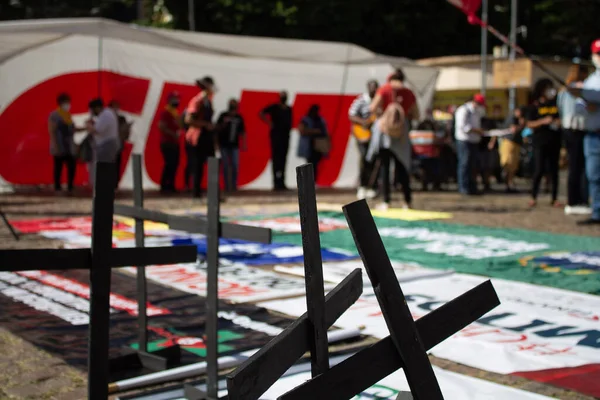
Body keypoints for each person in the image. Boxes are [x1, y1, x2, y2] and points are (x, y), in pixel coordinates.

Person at [367, 69, 418, 210]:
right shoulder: (408, 92)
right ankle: (407, 201)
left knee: (385, 166)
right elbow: (417, 114)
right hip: (402, 133)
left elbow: (372, 108)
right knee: (402, 166)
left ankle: (386, 201)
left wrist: (382, 116)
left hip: (384, 132)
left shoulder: (384, 89)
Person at [572, 39, 600, 225]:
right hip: (592, 135)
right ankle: (597, 212)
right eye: (598, 54)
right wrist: (585, 105)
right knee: (593, 175)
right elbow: (578, 106)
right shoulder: (591, 80)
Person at [558, 64, 591, 215]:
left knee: (575, 167)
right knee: (578, 167)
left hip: (568, 129)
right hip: (576, 129)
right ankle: (575, 200)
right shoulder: (577, 89)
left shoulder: (564, 91)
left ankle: (576, 199)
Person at [526, 78, 562, 208]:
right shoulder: (534, 106)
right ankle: (533, 196)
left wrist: (558, 122)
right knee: (539, 169)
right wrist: (542, 122)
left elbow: (561, 119)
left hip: (555, 141)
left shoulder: (555, 104)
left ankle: (554, 198)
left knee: (554, 171)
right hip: (540, 142)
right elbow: (529, 124)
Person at [185, 77, 216, 199]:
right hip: (197, 137)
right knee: (198, 165)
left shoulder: (208, 100)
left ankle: (213, 193)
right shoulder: (198, 100)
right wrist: (205, 125)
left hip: (207, 136)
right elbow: (189, 120)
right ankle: (195, 192)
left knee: (213, 164)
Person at [348, 79, 379, 199]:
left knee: (374, 161)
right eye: (372, 87)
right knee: (364, 159)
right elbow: (351, 115)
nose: (374, 90)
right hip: (362, 135)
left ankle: (372, 187)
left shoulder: (379, 101)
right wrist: (364, 122)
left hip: (375, 136)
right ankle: (362, 186)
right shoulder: (361, 100)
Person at [48, 93, 83, 193]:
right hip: (59, 145)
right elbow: (52, 130)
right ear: (60, 103)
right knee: (58, 167)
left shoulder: (68, 115)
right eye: (66, 102)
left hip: (69, 147)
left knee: (72, 166)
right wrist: (55, 145)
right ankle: (57, 187)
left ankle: (70, 186)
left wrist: (86, 129)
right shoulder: (55, 114)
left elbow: (72, 129)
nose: (68, 104)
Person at [454, 94, 487, 195]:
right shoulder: (463, 110)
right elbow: (463, 127)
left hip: (474, 141)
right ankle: (463, 187)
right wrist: (477, 131)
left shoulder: (476, 112)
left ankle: (472, 187)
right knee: (464, 163)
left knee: (473, 165)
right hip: (464, 141)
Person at [260, 91, 292, 191]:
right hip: (276, 136)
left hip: (285, 137)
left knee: (283, 159)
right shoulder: (274, 107)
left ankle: (282, 182)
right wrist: (269, 122)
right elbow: (261, 113)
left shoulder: (289, 109)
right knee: (276, 159)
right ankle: (276, 182)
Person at [86, 98, 119, 185]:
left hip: (106, 145)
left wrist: (88, 125)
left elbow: (97, 130)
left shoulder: (106, 115)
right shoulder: (107, 114)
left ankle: (104, 186)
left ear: (97, 108)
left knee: (104, 166)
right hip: (106, 144)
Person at [216, 98, 247, 192]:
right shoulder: (223, 115)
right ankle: (226, 185)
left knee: (234, 165)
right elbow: (217, 128)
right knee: (225, 166)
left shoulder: (239, 117)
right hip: (224, 144)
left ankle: (234, 185)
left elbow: (243, 132)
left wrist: (244, 144)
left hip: (235, 145)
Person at [297, 104, 329, 180]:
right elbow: (301, 130)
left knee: (316, 163)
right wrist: (313, 131)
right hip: (309, 145)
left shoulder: (320, 119)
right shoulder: (306, 119)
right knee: (310, 164)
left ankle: (314, 180)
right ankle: (310, 180)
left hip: (318, 144)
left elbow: (325, 131)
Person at [158, 92, 182, 193]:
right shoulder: (165, 112)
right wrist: (172, 134)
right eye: (174, 99)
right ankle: (164, 185)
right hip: (167, 142)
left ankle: (171, 185)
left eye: (177, 99)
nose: (177, 101)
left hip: (175, 142)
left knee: (174, 164)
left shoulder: (175, 113)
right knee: (169, 163)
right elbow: (161, 126)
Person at [499, 107, 524, 193]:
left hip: (515, 144)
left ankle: (510, 184)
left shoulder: (515, 118)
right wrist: (522, 125)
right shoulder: (512, 118)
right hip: (509, 143)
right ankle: (508, 185)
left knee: (513, 167)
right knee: (508, 165)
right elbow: (514, 129)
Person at [109, 100, 132, 188]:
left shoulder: (122, 119)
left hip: (118, 146)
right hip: (108, 147)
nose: (116, 109)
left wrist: (126, 129)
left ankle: (115, 184)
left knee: (117, 166)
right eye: (114, 106)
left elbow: (126, 135)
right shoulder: (107, 118)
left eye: (117, 106)